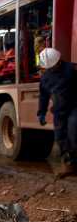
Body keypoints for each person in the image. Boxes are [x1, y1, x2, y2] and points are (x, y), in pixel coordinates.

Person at [37, 48, 77, 177]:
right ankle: (69, 164)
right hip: (59, 111)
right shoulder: (45, 78)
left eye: (54, 66)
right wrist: (41, 113)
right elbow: (43, 97)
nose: (52, 69)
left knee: (73, 132)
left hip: (74, 108)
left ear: (59, 60)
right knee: (60, 138)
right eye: (50, 67)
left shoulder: (72, 69)